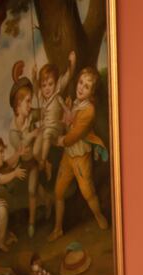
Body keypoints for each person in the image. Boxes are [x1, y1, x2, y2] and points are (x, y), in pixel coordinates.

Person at [49, 66, 109, 242]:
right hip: (69, 156)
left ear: (91, 93)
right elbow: (67, 121)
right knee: (58, 191)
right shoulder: (75, 102)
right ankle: (58, 228)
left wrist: (58, 141)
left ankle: (98, 216)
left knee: (87, 192)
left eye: (87, 86)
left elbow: (74, 135)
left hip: (81, 156)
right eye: (81, 82)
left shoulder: (89, 110)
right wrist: (66, 110)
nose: (81, 87)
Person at [9, 63, 50, 239]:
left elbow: (42, 112)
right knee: (35, 189)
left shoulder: (31, 114)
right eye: (27, 101)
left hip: (35, 158)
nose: (30, 104)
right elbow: (22, 150)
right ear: (18, 105)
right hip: (27, 161)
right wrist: (32, 133)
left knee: (33, 189)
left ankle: (32, 222)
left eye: (31, 101)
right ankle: (46, 204)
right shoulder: (13, 132)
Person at [32, 50, 77, 181]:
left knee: (47, 136)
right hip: (45, 127)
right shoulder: (42, 97)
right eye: (44, 85)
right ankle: (46, 163)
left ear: (56, 83)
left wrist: (72, 63)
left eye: (50, 84)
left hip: (55, 127)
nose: (47, 88)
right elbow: (36, 89)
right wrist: (34, 77)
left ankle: (43, 162)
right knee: (35, 151)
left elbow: (68, 76)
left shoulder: (57, 92)